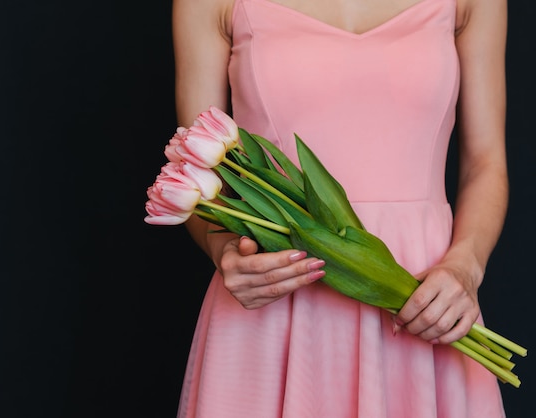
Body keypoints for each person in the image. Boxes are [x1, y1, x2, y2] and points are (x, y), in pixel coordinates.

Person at [171, 0, 508, 416]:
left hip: (427, 302)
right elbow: (196, 172)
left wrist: (465, 267)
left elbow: (486, 162)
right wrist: (224, 253)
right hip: (273, 300)